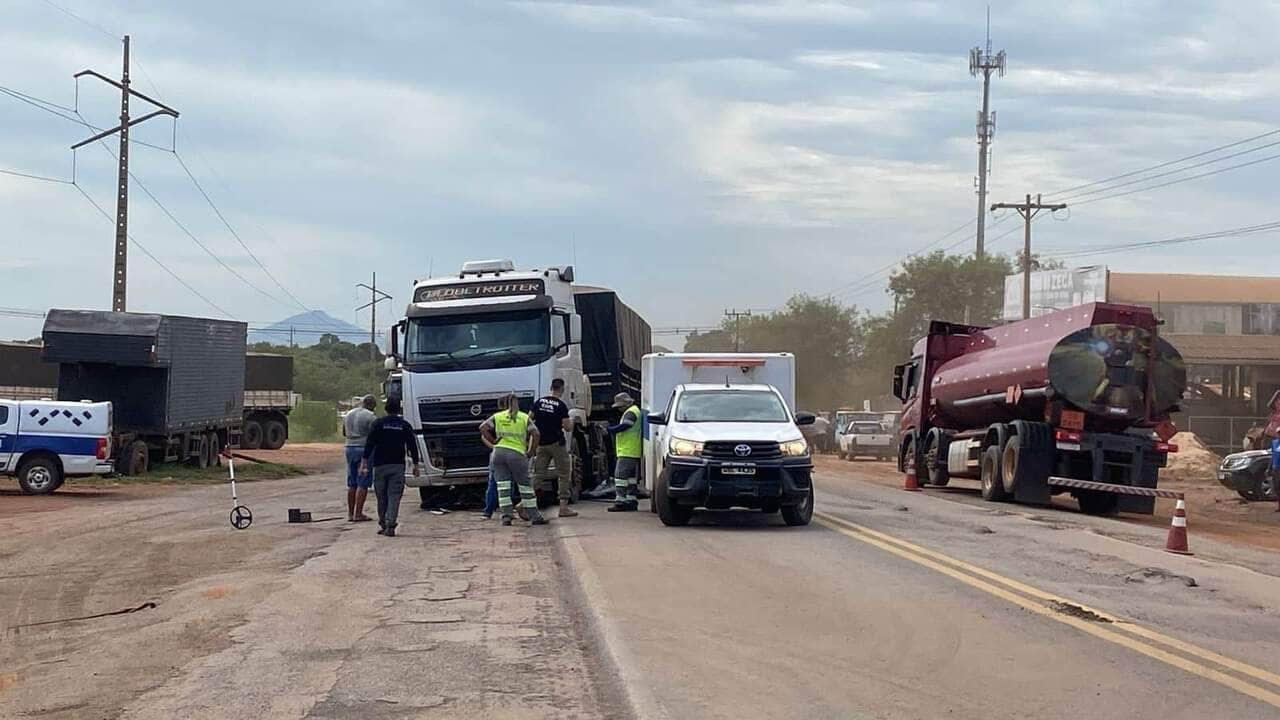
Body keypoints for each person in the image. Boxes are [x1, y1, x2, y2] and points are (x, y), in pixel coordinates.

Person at [480, 393, 545, 526]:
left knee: (502, 487)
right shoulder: (523, 417)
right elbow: (536, 433)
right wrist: (531, 451)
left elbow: (482, 428)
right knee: (525, 487)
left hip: (498, 454)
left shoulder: (498, 416)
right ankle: (535, 516)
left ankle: (506, 517)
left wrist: (494, 441)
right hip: (517, 454)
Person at [359, 397, 420, 537]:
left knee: (381, 496)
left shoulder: (378, 424)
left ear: (386, 409)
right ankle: (390, 524)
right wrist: (416, 465)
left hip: (380, 465)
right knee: (394, 496)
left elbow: (370, 443)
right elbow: (412, 446)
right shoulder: (404, 425)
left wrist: (364, 462)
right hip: (397, 465)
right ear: (399, 409)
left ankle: (384, 523)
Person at [531, 378, 577, 518]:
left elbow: (529, 420)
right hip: (557, 444)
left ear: (550, 387)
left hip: (541, 444)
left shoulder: (538, 402)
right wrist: (573, 421)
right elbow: (567, 428)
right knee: (563, 474)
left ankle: (525, 503)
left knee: (538, 474)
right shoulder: (561, 405)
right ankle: (563, 508)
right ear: (562, 389)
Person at [342, 395, 377, 522]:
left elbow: (344, 432)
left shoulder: (348, 414)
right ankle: (359, 513)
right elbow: (374, 435)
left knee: (352, 483)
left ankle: (350, 514)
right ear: (372, 405)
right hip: (364, 449)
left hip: (349, 448)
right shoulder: (371, 416)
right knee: (363, 481)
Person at [606, 392, 642, 512]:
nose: (619, 409)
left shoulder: (631, 412)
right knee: (630, 477)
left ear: (626, 404)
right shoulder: (635, 410)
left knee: (620, 475)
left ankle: (620, 501)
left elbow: (626, 425)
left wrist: (611, 430)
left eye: (620, 406)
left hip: (628, 450)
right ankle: (631, 500)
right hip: (632, 449)